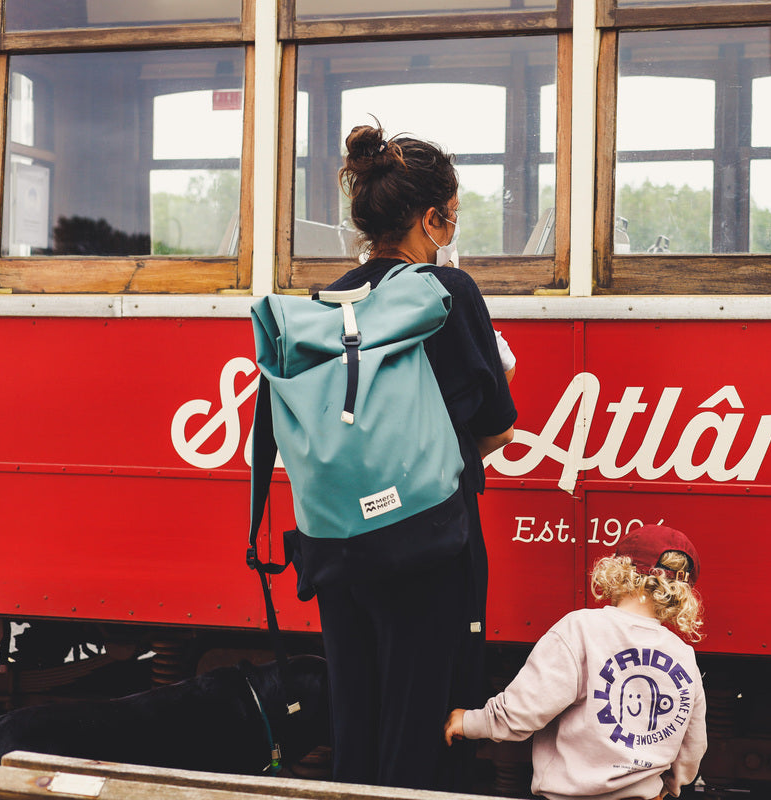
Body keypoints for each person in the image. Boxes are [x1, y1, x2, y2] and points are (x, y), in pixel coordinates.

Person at [294, 121, 517, 790]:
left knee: (356, 715)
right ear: (432, 219)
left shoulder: (327, 300)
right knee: (426, 720)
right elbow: (496, 429)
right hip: (428, 543)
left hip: (339, 544)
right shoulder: (450, 294)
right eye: (451, 216)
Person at [444, 524, 708, 800]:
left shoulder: (580, 629)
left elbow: (525, 710)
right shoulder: (684, 655)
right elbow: (693, 746)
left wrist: (470, 722)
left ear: (617, 571)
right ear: (681, 593)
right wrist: (668, 787)